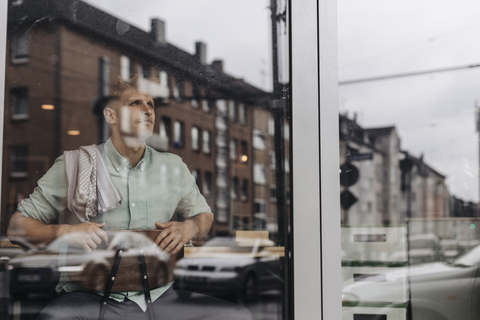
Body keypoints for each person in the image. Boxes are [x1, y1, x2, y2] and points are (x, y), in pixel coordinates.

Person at [7, 79, 252, 320]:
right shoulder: (76, 165)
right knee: (53, 317)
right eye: (136, 103)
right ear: (111, 116)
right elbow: (17, 227)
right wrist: (65, 232)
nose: (148, 110)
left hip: (159, 297)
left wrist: (191, 226)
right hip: (87, 297)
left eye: (151, 104)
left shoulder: (173, 167)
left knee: (236, 316)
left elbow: (205, 216)